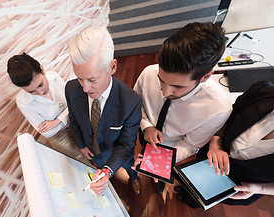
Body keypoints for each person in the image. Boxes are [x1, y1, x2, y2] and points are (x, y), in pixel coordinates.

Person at [133, 22, 232, 193]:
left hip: (172, 147)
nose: (165, 92)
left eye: (177, 87)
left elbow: (190, 144)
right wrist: (146, 126)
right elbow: (134, 107)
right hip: (143, 133)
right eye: (161, 80)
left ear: (206, 76)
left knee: (156, 174)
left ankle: (159, 181)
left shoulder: (218, 108)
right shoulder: (148, 72)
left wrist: (159, 161)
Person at [65, 26, 142, 196]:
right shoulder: (71, 89)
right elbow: (74, 118)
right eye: (79, 78)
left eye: (92, 79)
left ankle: (134, 177)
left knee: (130, 168)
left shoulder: (131, 102)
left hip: (118, 155)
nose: (85, 88)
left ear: (113, 67)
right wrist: (81, 144)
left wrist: (108, 170)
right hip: (93, 153)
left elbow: (127, 144)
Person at [7, 53, 90, 166]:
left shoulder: (54, 77)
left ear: (42, 69)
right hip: (59, 137)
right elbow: (48, 132)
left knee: (90, 147)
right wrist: (67, 113)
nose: (40, 92)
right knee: (79, 159)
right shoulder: (23, 102)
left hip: (76, 122)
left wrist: (57, 121)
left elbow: (73, 104)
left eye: (40, 85)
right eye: (32, 92)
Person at [201, 80, 274, 205]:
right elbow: (228, 116)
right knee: (190, 182)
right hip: (209, 155)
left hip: (243, 184)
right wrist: (215, 142)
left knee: (205, 200)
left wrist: (258, 188)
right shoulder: (262, 91)